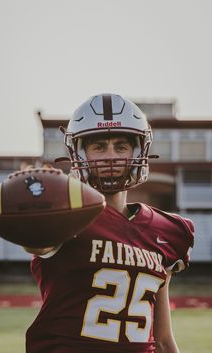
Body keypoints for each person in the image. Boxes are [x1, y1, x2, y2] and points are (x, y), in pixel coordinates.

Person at [25, 94, 194, 353]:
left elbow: (161, 339)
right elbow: (34, 241)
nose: (110, 157)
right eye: (99, 147)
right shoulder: (62, 215)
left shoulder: (168, 230)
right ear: (80, 153)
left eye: (121, 147)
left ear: (138, 152)